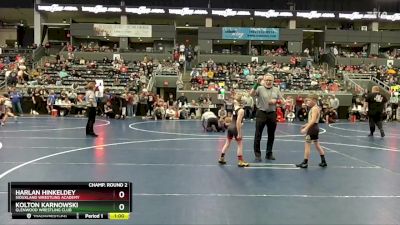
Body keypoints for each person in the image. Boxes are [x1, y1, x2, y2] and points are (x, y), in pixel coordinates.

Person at [250, 74, 284, 162]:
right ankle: (257, 154)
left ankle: (269, 154)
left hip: (272, 114)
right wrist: (256, 83)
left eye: (270, 80)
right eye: (267, 80)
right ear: (264, 81)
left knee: (271, 135)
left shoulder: (276, 90)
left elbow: (283, 102)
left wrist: (276, 101)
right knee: (258, 134)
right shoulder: (260, 88)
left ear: (273, 81)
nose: (268, 82)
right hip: (261, 113)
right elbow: (251, 94)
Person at [296, 94, 327, 168]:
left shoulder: (314, 109)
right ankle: (323, 161)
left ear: (314, 100)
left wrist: (306, 128)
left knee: (307, 145)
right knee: (317, 145)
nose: (307, 102)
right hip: (314, 127)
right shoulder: (315, 108)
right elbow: (313, 120)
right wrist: (305, 125)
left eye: (309, 100)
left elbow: (313, 120)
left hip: (312, 129)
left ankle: (305, 162)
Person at [218, 93, 249, 167]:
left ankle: (221, 158)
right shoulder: (241, 110)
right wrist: (239, 132)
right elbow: (238, 122)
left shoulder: (234, 106)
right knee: (240, 144)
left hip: (230, 127)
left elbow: (233, 118)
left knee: (227, 143)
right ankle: (240, 161)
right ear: (241, 102)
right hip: (235, 128)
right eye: (243, 101)